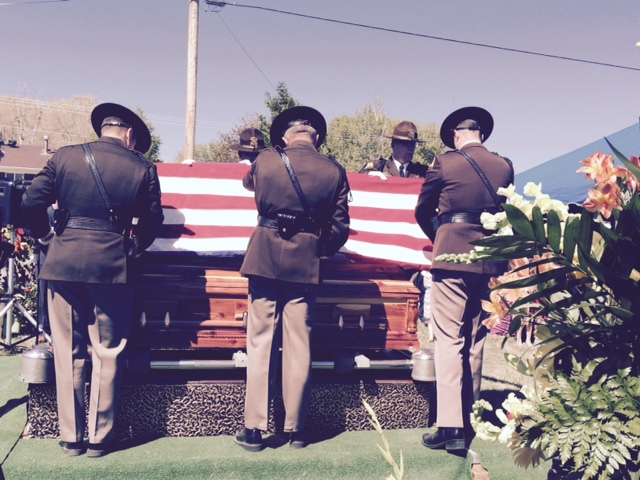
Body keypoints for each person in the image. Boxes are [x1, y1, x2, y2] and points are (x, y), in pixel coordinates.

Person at [21, 102, 164, 457]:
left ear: (103, 128)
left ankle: (71, 436)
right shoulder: (143, 168)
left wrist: (46, 239)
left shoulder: (66, 157)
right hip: (111, 265)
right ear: (130, 135)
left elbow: (29, 203)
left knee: (67, 351)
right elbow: (152, 222)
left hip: (63, 262)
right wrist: (132, 248)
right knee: (107, 351)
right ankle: (101, 437)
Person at [236, 106, 350, 452]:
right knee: (299, 344)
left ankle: (254, 430)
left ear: (287, 136)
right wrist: (318, 249)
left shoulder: (268, 160)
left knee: (260, 343)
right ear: (316, 139)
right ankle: (295, 429)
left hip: (265, 255)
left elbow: (247, 182)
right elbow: (340, 226)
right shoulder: (333, 170)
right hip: (305, 259)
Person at [414, 106, 514, 451]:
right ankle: (471, 416)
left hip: (452, 257)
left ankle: (451, 426)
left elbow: (422, 210)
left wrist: (443, 235)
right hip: (490, 262)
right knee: (475, 341)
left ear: (456, 136)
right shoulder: (504, 166)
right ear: (481, 134)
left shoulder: (445, 162)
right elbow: (507, 212)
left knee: (447, 339)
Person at [360, 120, 428, 178]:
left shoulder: (421, 172)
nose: (411, 148)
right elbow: (357, 182)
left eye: (413, 144)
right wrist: (368, 176)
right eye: (406, 144)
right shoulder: (378, 167)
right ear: (393, 145)